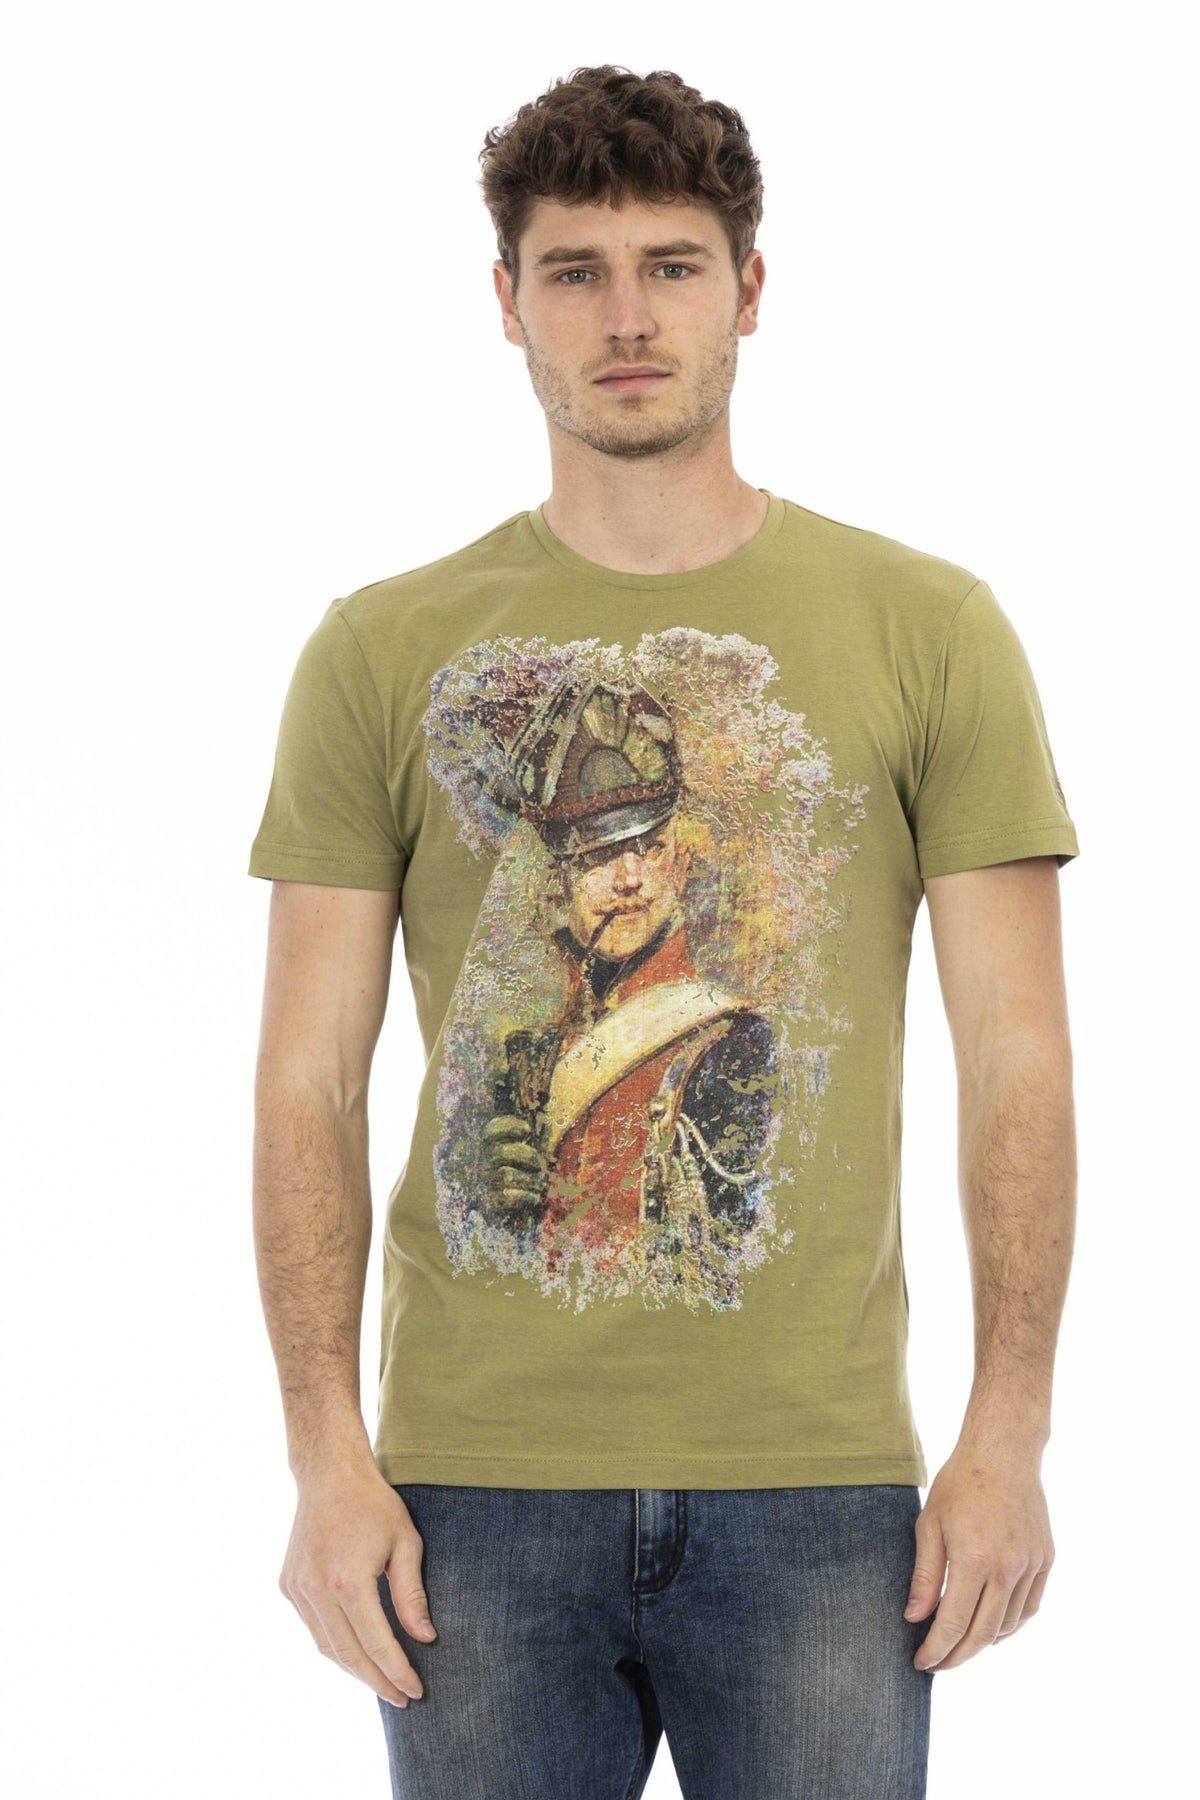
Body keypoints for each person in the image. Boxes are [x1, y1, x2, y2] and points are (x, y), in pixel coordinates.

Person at [248, 63, 1080, 1800]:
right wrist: (325, 1456)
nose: (626, 317)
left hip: (820, 1489)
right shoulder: (378, 648)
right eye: (575, 271)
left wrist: (1007, 1435)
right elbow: (305, 1080)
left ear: (749, 290)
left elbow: (1019, 1059)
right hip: (466, 1494)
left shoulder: (929, 628)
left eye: (672, 266)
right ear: (507, 302)